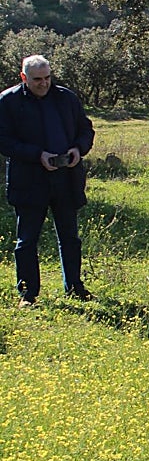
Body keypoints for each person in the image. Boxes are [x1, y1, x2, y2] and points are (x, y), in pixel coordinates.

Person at [0, 54, 96, 305]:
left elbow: (86, 129)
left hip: (66, 179)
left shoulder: (66, 98)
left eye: (47, 78)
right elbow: (4, 141)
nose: (44, 83)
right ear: (23, 77)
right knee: (27, 240)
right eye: (37, 79)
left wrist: (78, 149)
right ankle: (27, 294)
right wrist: (37, 155)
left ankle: (75, 287)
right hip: (29, 180)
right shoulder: (8, 102)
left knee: (70, 237)